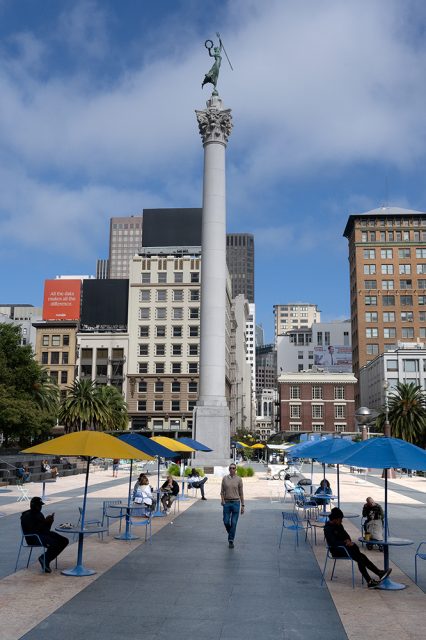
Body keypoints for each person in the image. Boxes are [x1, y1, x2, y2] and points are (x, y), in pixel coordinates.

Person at [324, 507, 391, 588]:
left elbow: (346, 535)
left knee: (362, 556)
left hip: (346, 548)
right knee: (360, 558)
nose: (341, 521)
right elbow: (333, 543)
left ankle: (377, 575)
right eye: (340, 519)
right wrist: (345, 543)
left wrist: (348, 540)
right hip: (337, 550)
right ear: (335, 519)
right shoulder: (328, 528)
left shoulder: (339, 525)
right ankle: (372, 578)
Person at [20, 497, 69, 573]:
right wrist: (45, 522)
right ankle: (45, 559)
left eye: (40, 505)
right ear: (33, 505)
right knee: (55, 543)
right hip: (33, 538)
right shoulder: (27, 516)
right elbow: (33, 531)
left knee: (64, 541)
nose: (40, 507)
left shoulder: (39, 514)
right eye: (38, 505)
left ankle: (45, 558)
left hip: (43, 535)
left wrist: (49, 522)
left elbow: (45, 529)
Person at [220, 463, 245, 549]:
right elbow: (222, 491)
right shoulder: (225, 479)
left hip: (236, 503)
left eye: (233, 468)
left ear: (236, 469)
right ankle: (231, 532)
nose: (232, 470)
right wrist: (222, 500)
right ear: (229, 469)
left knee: (234, 523)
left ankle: (231, 540)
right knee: (226, 521)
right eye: (230, 468)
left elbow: (241, 493)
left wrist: (243, 505)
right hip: (226, 503)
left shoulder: (239, 479)